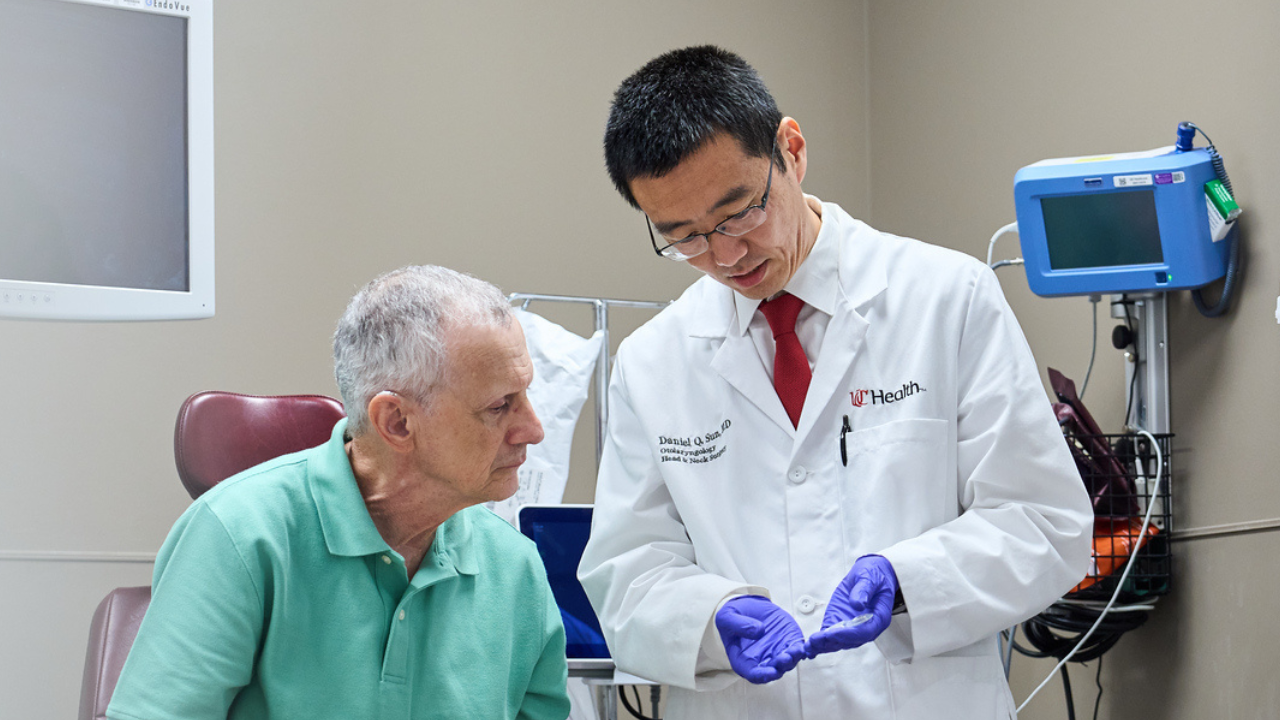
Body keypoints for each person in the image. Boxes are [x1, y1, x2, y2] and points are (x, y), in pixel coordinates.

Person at [577, 46, 1093, 720]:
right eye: (687, 238)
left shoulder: (945, 297)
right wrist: (711, 618)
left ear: (790, 151)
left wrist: (908, 580)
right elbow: (627, 575)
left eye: (740, 213)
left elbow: (1044, 523)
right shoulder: (653, 363)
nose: (726, 255)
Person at [108, 266, 571, 720]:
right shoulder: (239, 536)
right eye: (499, 406)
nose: (532, 429)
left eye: (526, 396)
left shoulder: (516, 570)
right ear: (397, 422)